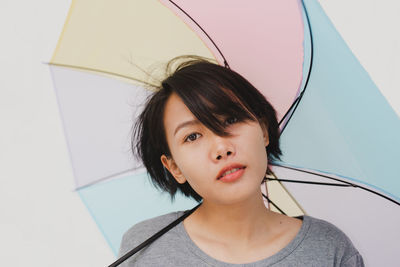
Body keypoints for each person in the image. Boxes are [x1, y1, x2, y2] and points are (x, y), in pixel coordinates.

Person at [117, 57, 364, 266]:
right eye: (192, 136)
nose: (221, 148)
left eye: (231, 119)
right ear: (174, 167)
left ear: (264, 131)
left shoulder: (328, 250)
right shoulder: (144, 248)